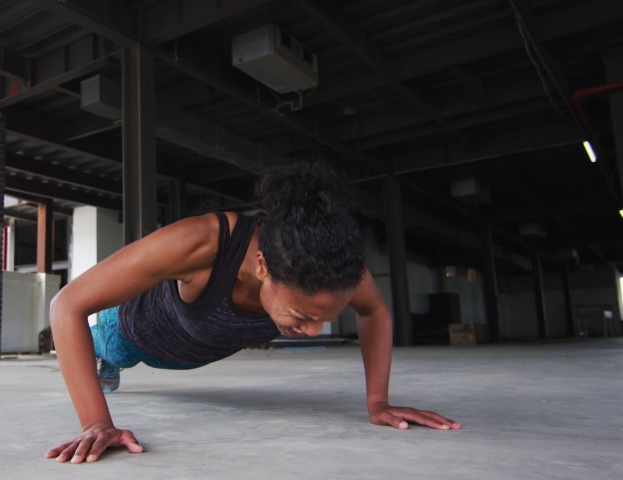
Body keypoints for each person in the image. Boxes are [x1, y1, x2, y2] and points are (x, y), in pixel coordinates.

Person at [45, 162, 461, 464]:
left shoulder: (333, 267)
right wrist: (97, 423)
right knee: (109, 350)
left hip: (193, 352)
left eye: (324, 319)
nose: (314, 332)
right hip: (132, 333)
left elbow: (375, 311)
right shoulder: (202, 241)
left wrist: (378, 401)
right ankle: (105, 362)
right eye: (301, 315)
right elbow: (67, 305)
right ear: (262, 266)